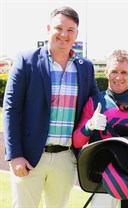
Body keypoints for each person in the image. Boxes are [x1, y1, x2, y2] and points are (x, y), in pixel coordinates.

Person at [3, 6, 99, 208]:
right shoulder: (26, 60)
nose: (64, 35)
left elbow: (96, 105)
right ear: (48, 28)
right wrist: (15, 154)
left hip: (66, 158)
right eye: (59, 28)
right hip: (29, 158)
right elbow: (11, 109)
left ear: (76, 34)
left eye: (70, 30)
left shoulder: (86, 67)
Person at [73, 49, 128, 208]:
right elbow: (77, 141)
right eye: (114, 71)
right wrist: (89, 126)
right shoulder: (94, 102)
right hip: (101, 179)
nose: (119, 77)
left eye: (124, 72)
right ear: (106, 72)